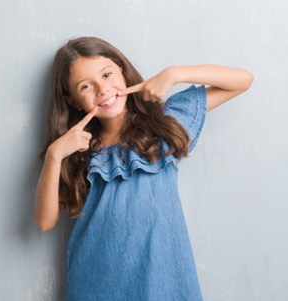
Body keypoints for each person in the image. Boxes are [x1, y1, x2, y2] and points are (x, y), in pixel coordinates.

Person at [34, 36, 253, 300]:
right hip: (98, 283)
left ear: (123, 73)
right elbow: (45, 222)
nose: (102, 90)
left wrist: (175, 73)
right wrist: (55, 155)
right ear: (73, 102)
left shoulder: (164, 124)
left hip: (164, 278)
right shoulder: (77, 150)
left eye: (107, 74)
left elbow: (243, 81)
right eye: (86, 86)